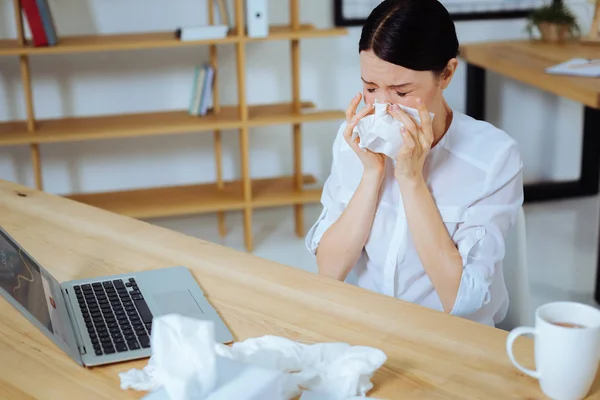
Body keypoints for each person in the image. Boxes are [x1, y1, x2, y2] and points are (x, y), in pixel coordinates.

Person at [305, 0, 524, 326]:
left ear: (446, 73)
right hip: (369, 325)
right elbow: (329, 270)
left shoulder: (494, 157)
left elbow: (462, 299)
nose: (381, 107)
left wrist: (411, 180)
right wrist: (372, 174)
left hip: (451, 337)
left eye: (401, 92)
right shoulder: (354, 140)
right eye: (370, 88)